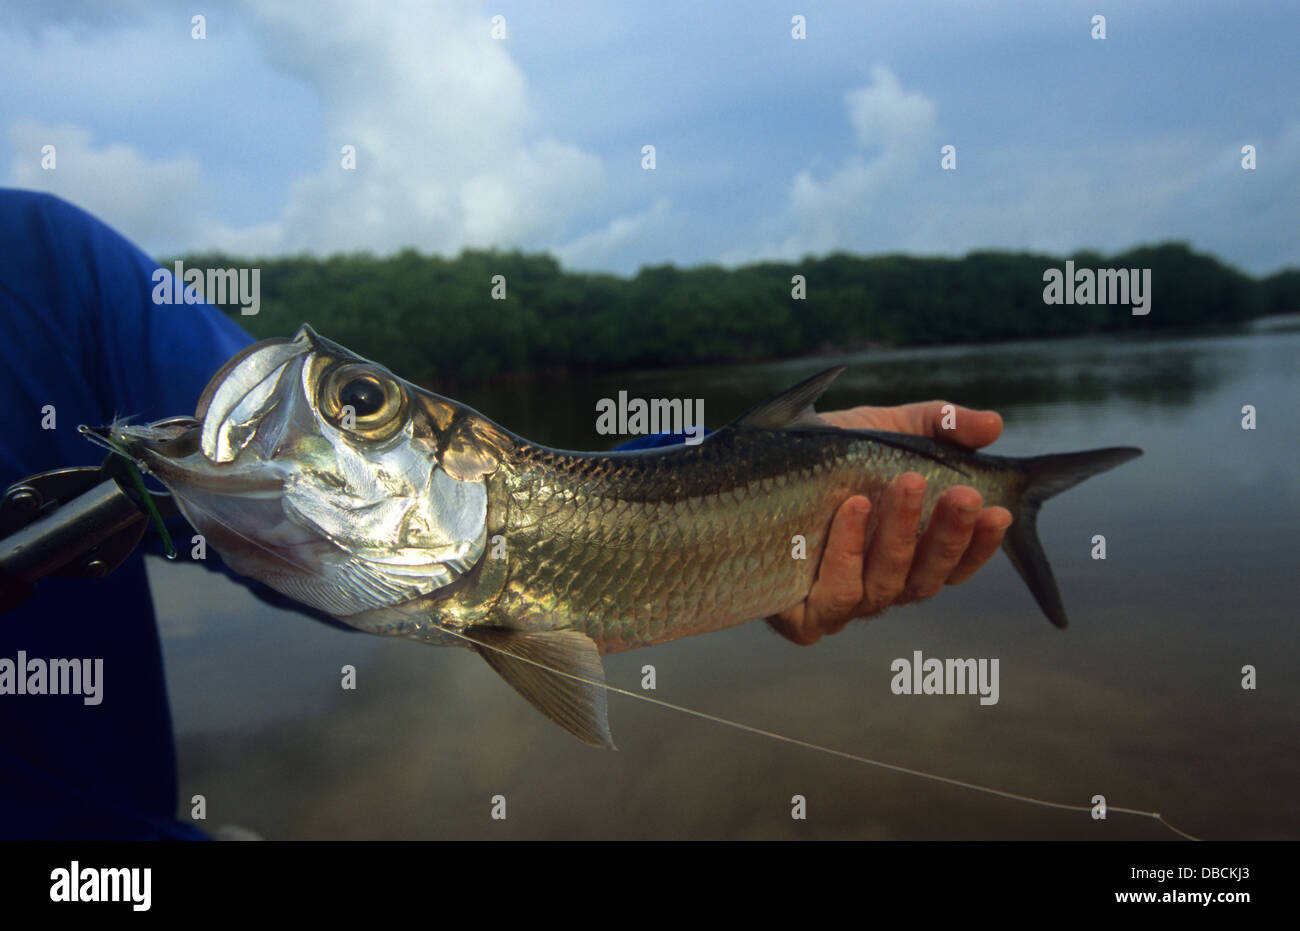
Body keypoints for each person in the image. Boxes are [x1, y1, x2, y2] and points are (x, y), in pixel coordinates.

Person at [0, 189, 1009, 838]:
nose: (314, 408)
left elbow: (299, 538)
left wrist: (781, 481)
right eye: (361, 405)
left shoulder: (44, 262)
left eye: (360, 403)